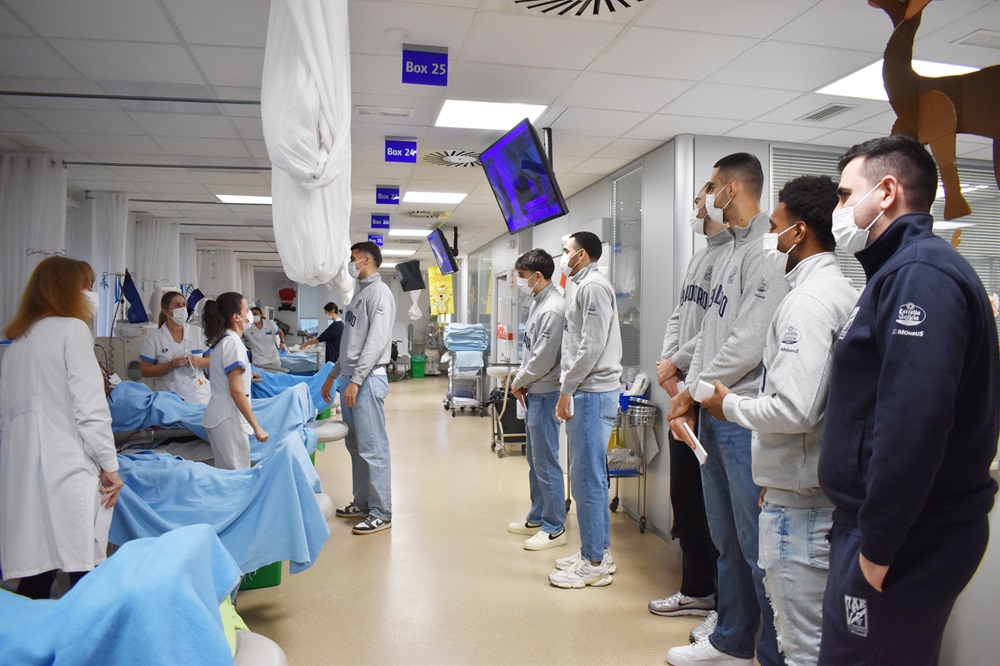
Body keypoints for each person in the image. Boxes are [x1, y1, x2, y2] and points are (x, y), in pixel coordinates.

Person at [817, 136, 999, 665]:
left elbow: (914, 420)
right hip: (888, 527)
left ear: (887, 191)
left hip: (909, 533)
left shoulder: (921, 275)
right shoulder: (896, 273)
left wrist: (879, 544)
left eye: (846, 194)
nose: (839, 209)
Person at [700, 175, 858, 666]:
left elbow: (793, 409)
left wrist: (728, 405)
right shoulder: (840, 290)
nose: (771, 236)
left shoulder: (806, 304)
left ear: (800, 231)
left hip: (803, 505)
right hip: (806, 484)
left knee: (799, 649)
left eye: (776, 225)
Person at [666, 153, 787, 666]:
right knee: (726, 537)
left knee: (756, 545)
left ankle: (772, 651)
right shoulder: (726, 252)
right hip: (711, 415)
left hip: (740, 416)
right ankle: (733, 641)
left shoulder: (768, 251)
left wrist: (692, 390)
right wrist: (682, 372)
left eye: (712, 187)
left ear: (732, 188)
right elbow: (708, 330)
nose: (708, 197)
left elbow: (747, 343)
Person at [0, 256, 124, 599]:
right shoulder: (71, 330)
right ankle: (88, 646)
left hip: (24, 474)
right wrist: (110, 466)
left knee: (39, 568)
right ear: (67, 290)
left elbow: (6, 418)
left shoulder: (17, 343)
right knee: (81, 565)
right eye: (87, 287)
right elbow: (90, 409)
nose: (91, 295)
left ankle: (26, 644)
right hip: (67, 466)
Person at [650, 183, 729, 633]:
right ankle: (697, 588)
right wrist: (667, 362)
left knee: (714, 505)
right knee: (685, 497)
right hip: (683, 390)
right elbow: (681, 314)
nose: (696, 209)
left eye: (701, 201)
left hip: (709, 395)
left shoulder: (741, 255)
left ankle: (723, 598)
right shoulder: (701, 256)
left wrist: (678, 364)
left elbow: (723, 328)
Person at [548, 231, 623, 589]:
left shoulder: (593, 287)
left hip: (591, 394)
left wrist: (567, 389)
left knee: (587, 479)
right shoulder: (579, 287)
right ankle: (598, 551)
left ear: (583, 254)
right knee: (588, 476)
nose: (563, 256)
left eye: (566, 251)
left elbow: (590, 346)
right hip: (589, 391)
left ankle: (593, 563)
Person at [321, 242, 396, 535]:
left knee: (373, 447)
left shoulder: (380, 294)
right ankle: (364, 502)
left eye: (352, 259)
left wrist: (355, 380)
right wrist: (334, 374)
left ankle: (382, 511)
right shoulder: (359, 295)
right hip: (351, 378)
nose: (350, 264)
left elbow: (375, 344)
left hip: (366, 381)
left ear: (366, 260)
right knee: (356, 447)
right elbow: (350, 345)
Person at [507, 249, 568, 551]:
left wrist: (518, 381)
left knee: (546, 462)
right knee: (535, 460)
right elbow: (531, 351)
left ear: (537, 276)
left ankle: (555, 526)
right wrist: (521, 378)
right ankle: (537, 516)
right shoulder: (538, 303)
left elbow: (543, 359)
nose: (520, 282)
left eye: (521, 277)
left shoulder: (553, 309)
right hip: (535, 391)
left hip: (546, 393)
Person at [201, 292, 268, 470]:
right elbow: (236, 390)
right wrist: (256, 426)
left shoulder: (223, 340)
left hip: (221, 417)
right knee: (237, 476)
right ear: (236, 316)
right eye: (247, 310)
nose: (251, 315)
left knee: (228, 475)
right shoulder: (233, 343)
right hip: (228, 419)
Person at [139, 290, 211, 404]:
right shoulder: (154, 339)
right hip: (170, 400)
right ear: (166, 311)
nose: (182, 309)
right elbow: (145, 371)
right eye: (177, 306)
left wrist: (198, 361)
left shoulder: (197, 332)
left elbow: (212, 359)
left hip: (199, 397)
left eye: (184, 305)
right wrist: (170, 365)